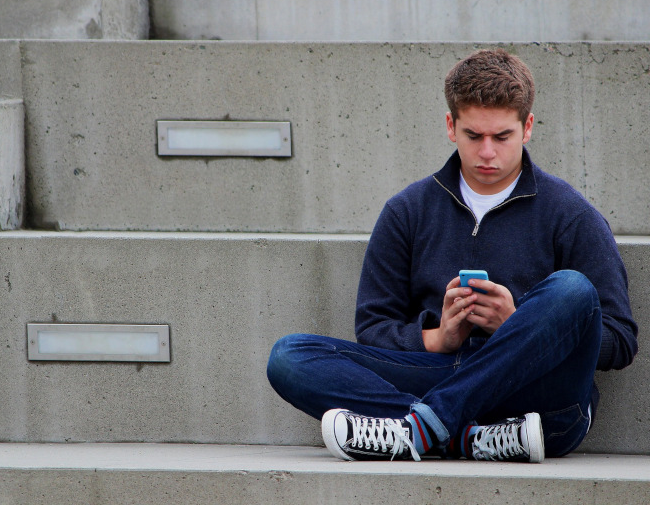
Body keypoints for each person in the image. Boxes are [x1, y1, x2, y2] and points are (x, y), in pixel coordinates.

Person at [266, 49, 638, 463]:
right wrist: (438, 337)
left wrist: (517, 327)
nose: (487, 153)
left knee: (572, 289)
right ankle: (461, 436)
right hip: (447, 377)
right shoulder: (407, 211)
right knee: (289, 357)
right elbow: (373, 327)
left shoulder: (570, 214)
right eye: (473, 136)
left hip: (537, 398)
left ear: (527, 127)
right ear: (450, 126)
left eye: (502, 137)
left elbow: (619, 341)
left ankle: (423, 428)